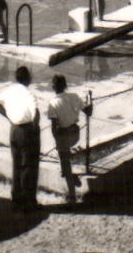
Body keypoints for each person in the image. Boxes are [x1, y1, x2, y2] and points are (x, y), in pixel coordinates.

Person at [0, 66, 42, 213]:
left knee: (17, 165)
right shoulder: (29, 94)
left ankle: (16, 199)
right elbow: (36, 114)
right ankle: (28, 202)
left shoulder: (10, 90)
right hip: (27, 130)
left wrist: (8, 116)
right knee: (28, 166)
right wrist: (34, 128)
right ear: (28, 78)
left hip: (14, 130)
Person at [45, 74, 86, 205]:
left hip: (64, 135)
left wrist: (58, 143)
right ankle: (71, 177)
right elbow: (88, 111)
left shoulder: (52, 103)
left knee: (65, 164)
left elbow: (54, 128)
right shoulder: (74, 96)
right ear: (65, 86)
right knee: (63, 164)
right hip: (75, 134)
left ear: (53, 87)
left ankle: (72, 196)